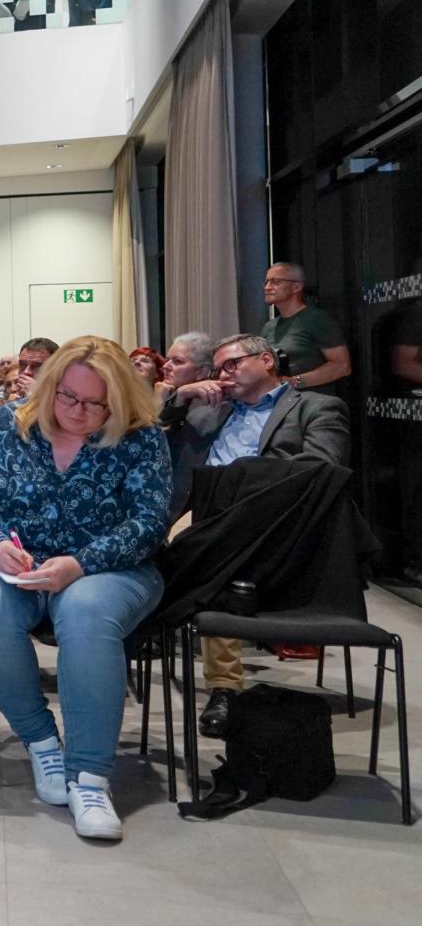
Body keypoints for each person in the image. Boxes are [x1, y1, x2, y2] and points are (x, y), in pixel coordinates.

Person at [0, 337, 171, 841]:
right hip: (18, 558)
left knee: (86, 612)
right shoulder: (7, 423)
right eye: (68, 397)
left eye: (95, 403)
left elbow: (150, 522)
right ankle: (42, 742)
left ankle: (89, 777)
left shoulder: (141, 436)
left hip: (111, 568)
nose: (78, 411)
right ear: (50, 387)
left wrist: (81, 562)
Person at [161, 332, 351, 736]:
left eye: (233, 364)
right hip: (204, 512)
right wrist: (181, 395)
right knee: (199, 548)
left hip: (271, 515)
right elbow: (150, 430)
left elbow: (321, 471)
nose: (225, 374)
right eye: (219, 368)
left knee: (216, 561)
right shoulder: (213, 408)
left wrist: (243, 485)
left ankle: (223, 687)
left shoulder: (316, 407)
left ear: (266, 360)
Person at [261, 261, 352, 393]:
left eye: (275, 281)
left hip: (313, 404)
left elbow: (342, 366)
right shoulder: (268, 327)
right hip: (281, 405)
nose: (268, 287)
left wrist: (295, 382)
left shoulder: (316, 319)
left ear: (296, 286)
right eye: (266, 282)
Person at [159, 331, 215, 407]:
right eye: (167, 360)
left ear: (202, 372)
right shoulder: (165, 392)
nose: (165, 366)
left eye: (177, 361)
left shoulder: (210, 403)